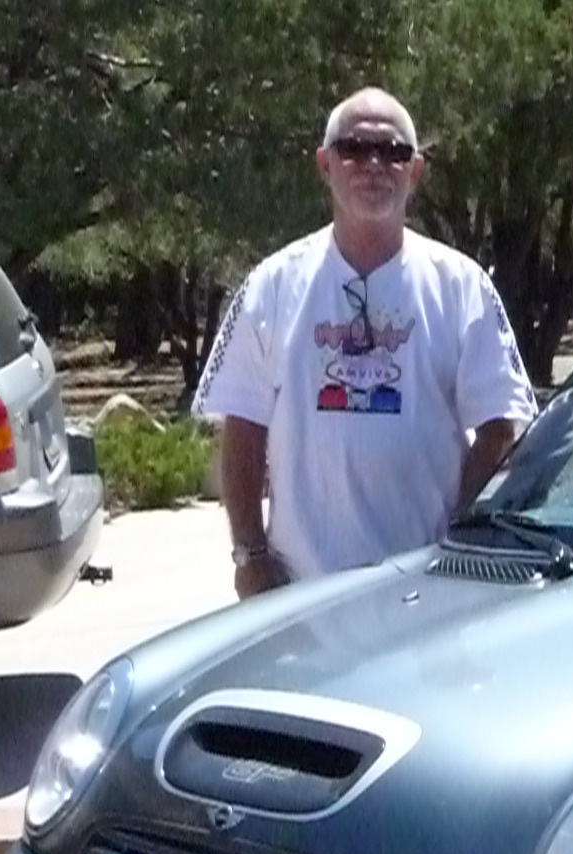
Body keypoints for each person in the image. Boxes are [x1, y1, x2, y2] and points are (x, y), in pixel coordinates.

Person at [192, 87, 539, 599]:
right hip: (299, 593)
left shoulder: (462, 287)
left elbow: (498, 429)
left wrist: (458, 540)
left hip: (426, 594)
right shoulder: (272, 286)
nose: (374, 164)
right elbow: (243, 428)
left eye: (393, 152)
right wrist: (250, 555)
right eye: (353, 148)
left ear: (415, 171)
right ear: (325, 165)